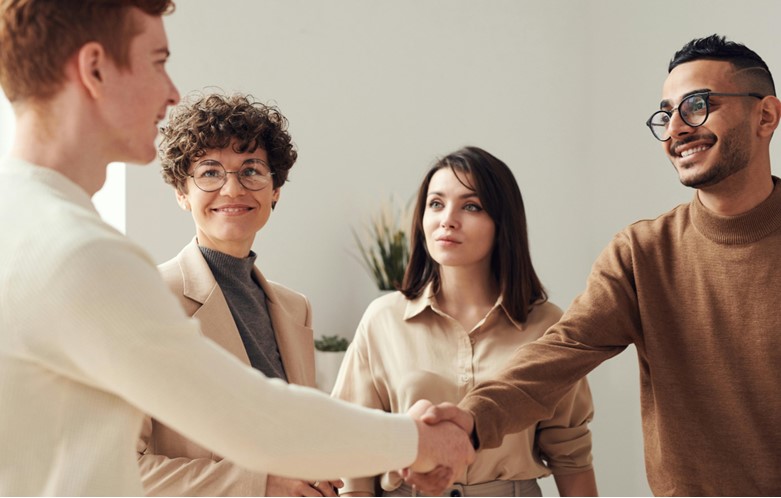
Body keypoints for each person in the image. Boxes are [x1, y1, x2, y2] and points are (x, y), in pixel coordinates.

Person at [0, 1, 473, 495]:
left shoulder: (21, 224)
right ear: (95, 68)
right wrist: (418, 442)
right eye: (158, 61)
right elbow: (250, 416)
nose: (171, 93)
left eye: (251, 171)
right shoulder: (78, 254)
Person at [410, 35, 781, 496]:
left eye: (699, 105)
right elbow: (560, 352)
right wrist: (469, 420)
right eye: (667, 114)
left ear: (765, 115)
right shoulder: (641, 253)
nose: (677, 128)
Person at [332, 146, 598, 497]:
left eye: (471, 206)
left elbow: (571, 454)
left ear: (502, 223)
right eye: (436, 204)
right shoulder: (383, 319)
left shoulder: (547, 324)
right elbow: (354, 449)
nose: (448, 219)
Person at [135, 93, 340, 496]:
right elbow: (116, 468)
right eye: (210, 173)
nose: (233, 189)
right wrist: (257, 484)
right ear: (182, 193)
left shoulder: (295, 308)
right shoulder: (147, 299)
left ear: (275, 189)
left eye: (252, 170)